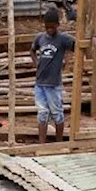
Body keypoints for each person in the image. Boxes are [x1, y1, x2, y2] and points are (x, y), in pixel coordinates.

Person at [31, 9, 76, 142]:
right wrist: (36, 63)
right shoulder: (40, 38)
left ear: (57, 25)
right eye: (47, 27)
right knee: (42, 114)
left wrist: (67, 61)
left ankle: (59, 142)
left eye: (52, 27)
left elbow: (76, 46)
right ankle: (42, 144)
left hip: (54, 84)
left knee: (57, 114)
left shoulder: (63, 39)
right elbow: (32, 50)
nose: (49, 30)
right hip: (40, 83)